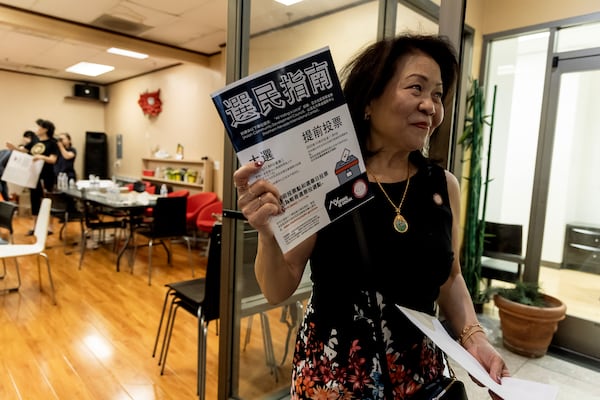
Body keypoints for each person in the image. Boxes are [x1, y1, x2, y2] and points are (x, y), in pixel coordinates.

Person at [233, 34, 509, 399]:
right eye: (416, 88)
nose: (430, 106)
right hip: (335, 382)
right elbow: (276, 287)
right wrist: (268, 235)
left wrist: (474, 338)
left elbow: (451, 276)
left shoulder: (443, 186)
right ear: (369, 103)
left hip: (422, 377)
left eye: (438, 94)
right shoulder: (329, 180)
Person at [27, 118, 59, 235]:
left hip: (47, 175)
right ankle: (35, 227)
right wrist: (14, 149)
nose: (37, 129)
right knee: (34, 200)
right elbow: (25, 151)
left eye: (39, 127)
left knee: (47, 200)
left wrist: (42, 157)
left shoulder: (53, 143)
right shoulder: (34, 141)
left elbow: (53, 159)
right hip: (34, 174)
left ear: (45, 129)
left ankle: (50, 227)